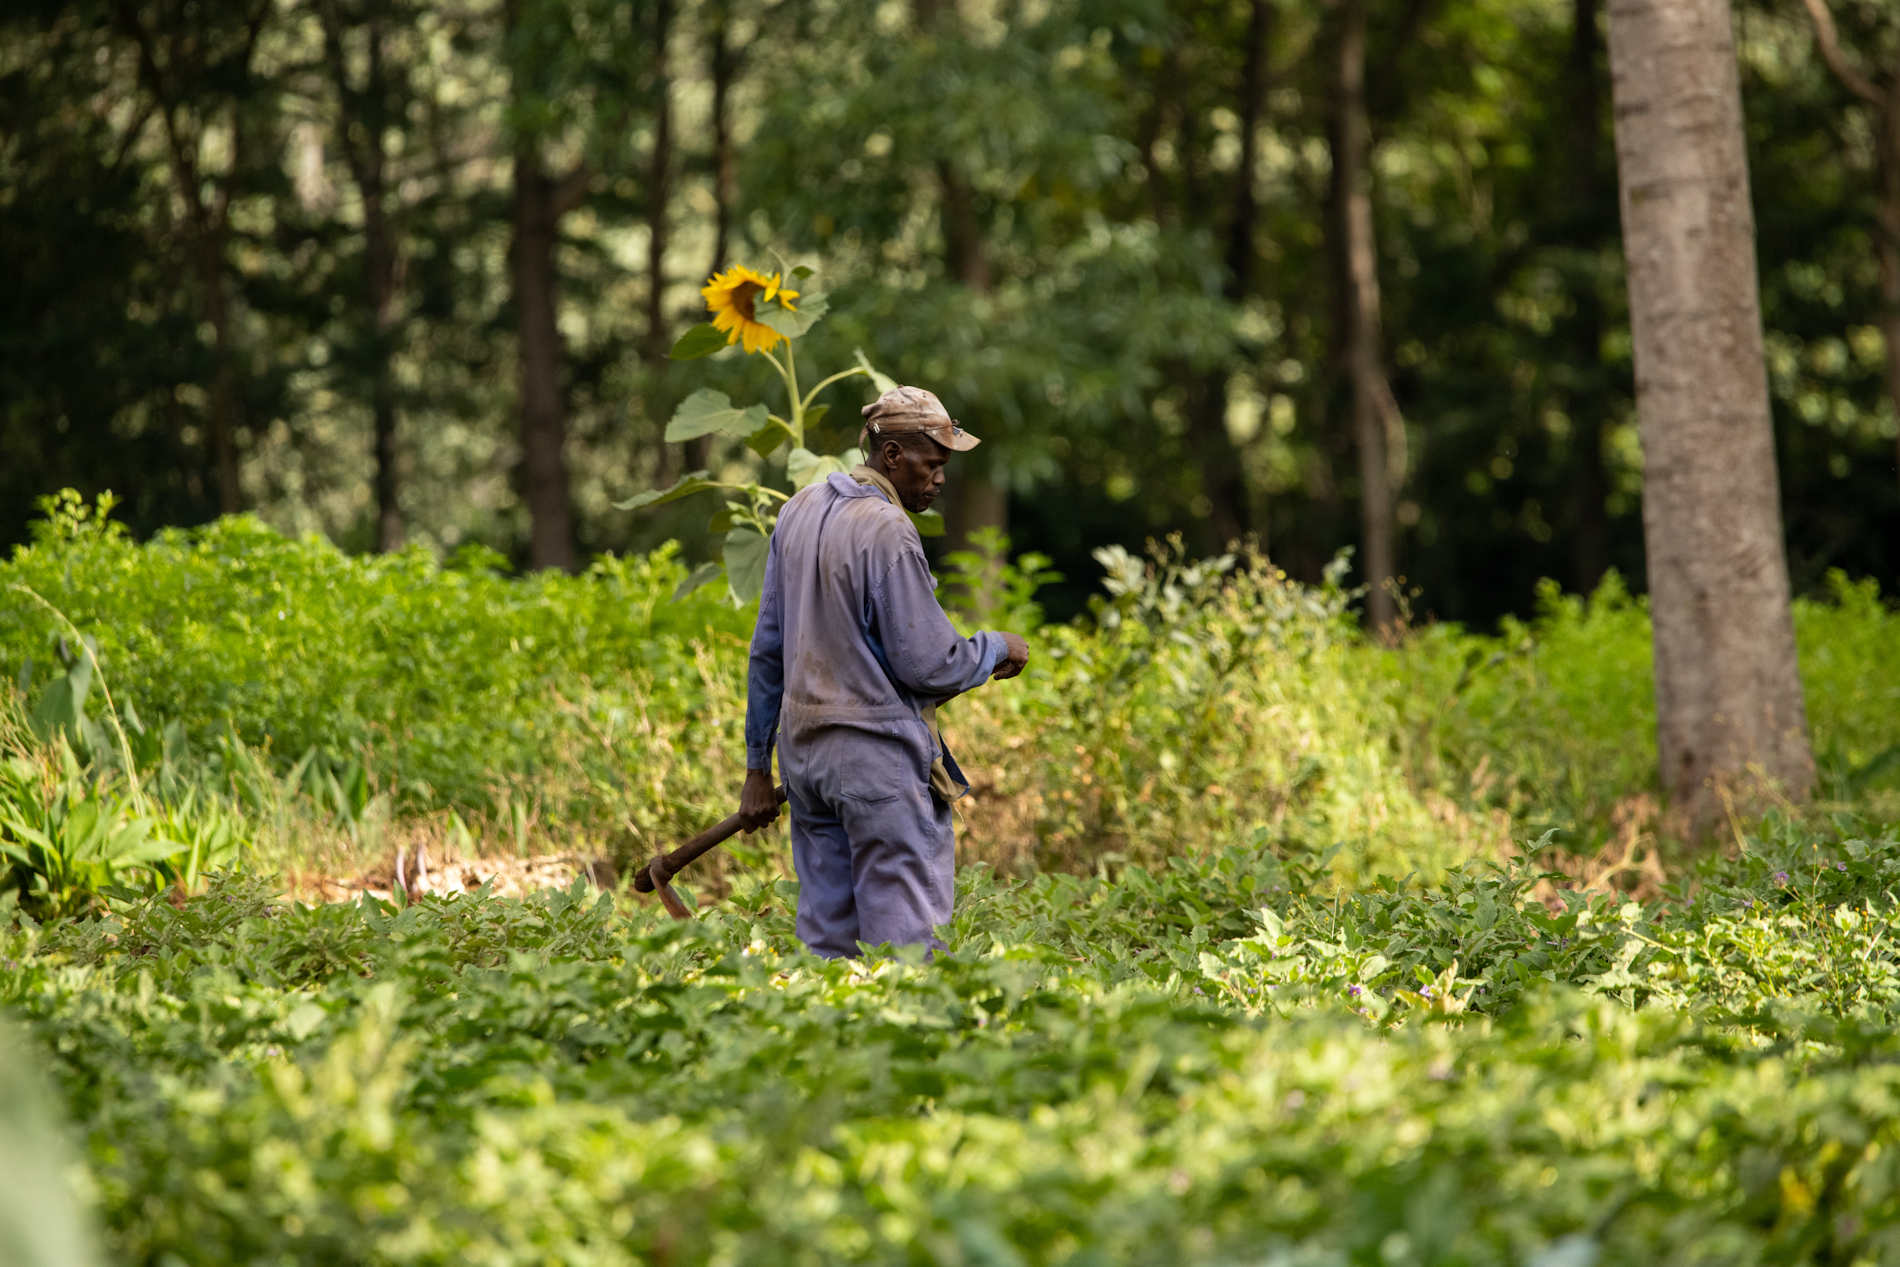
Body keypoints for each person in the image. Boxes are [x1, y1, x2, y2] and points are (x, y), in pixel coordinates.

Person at [735, 385, 1031, 957]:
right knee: (907, 950)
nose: (940, 478)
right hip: (877, 768)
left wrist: (756, 767)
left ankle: (827, 1037)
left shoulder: (797, 510)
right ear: (892, 456)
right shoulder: (888, 530)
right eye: (932, 462)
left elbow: (766, 652)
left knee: (828, 946)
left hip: (806, 765)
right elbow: (930, 663)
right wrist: (995, 648)